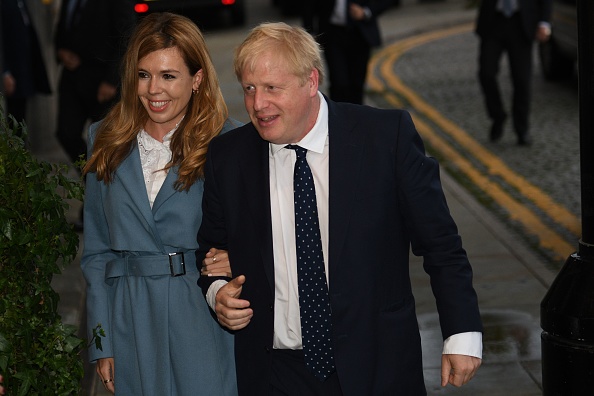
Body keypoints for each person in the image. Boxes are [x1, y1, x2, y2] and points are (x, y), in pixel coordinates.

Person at [197, 22, 483, 395]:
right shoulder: (229, 157)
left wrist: (462, 331)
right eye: (249, 88)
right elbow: (210, 251)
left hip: (377, 367)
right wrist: (218, 292)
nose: (258, 104)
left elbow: (440, 243)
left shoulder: (385, 138)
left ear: (311, 82)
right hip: (275, 375)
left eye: (272, 88)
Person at [81, 12, 238, 395]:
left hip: (199, 312)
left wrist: (239, 255)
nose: (154, 89)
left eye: (169, 75)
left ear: (196, 79)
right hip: (128, 317)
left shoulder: (227, 144)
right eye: (143, 74)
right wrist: (101, 340)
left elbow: (257, 231)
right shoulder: (103, 138)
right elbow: (97, 251)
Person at [54, 0, 136, 165]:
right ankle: (92, 178)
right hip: (72, 78)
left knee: (105, 141)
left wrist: (112, 80)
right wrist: (60, 51)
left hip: (104, 81)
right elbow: (62, 30)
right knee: (66, 133)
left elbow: (126, 38)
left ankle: (103, 182)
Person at [476, 0, 552, 146]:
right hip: (493, 21)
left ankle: (521, 129)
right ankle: (497, 115)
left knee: (522, 80)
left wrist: (544, 22)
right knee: (486, 73)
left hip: (522, 22)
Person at [302, 0, 393, 105]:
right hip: (332, 33)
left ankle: (356, 117)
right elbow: (308, 4)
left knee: (357, 84)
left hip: (359, 35)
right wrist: (308, 31)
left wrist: (366, 12)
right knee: (339, 82)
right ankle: (335, 116)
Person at [1, 0, 52, 132]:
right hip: (11, 71)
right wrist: (5, 72)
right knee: (13, 118)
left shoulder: (21, 2)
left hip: (24, 70)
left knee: (20, 117)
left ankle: (20, 149)